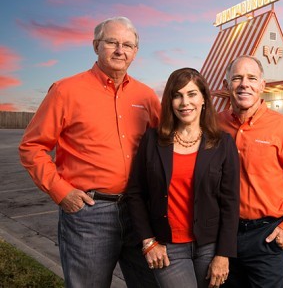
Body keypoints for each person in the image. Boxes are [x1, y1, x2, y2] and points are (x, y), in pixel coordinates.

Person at [18, 16, 160, 288]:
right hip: (89, 215)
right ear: (96, 45)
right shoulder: (65, 91)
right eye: (112, 42)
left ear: (136, 52)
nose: (121, 50)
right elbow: (32, 147)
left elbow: (166, 146)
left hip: (139, 212)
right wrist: (61, 192)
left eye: (128, 45)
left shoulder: (146, 97)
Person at [126, 68, 240, 288]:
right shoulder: (152, 139)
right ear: (169, 101)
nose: (184, 102)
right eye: (177, 95)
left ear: (204, 99)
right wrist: (148, 242)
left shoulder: (223, 143)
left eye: (191, 94)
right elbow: (136, 194)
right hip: (167, 246)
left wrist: (223, 254)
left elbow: (230, 202)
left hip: (210, 245)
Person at [218, 55, 283, 288]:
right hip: (223, 237)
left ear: (262, 85)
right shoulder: (214, 124)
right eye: (237, 78)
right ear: (226, 85)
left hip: (266, 237)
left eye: (252, 78)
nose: (245, 84)